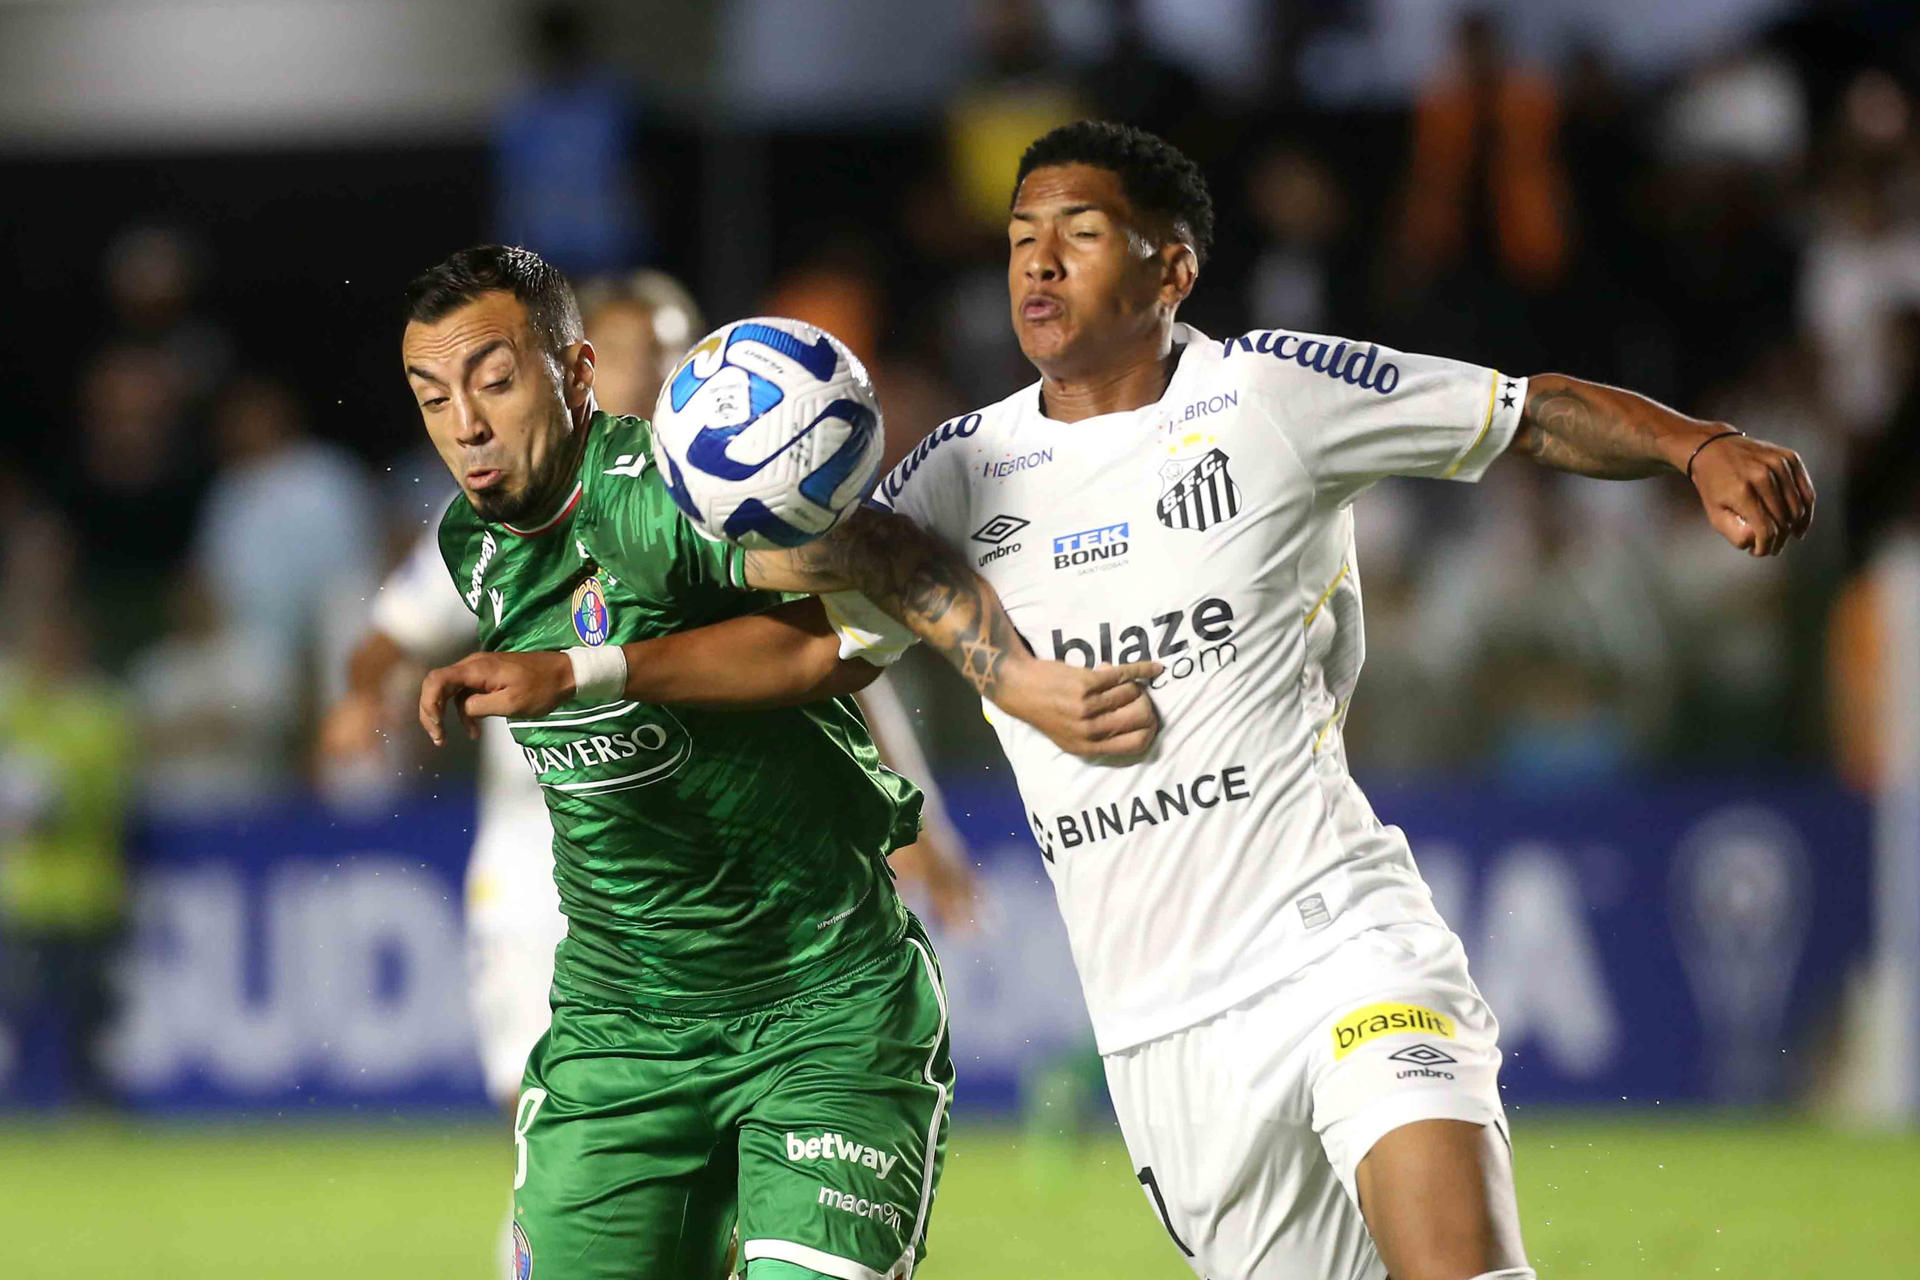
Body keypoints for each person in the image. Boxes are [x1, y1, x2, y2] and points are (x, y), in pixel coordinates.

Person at [835, 121, 1812, 1280]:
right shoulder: (954, 470)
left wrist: (1696, 444)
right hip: (1162, 1027)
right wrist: (616, 654)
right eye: (1020, 240)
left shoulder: (1271, 393)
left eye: (1081, 236)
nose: (1037, 265)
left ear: (1172, 268)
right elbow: (818, 649)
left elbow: (1524, 408)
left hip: (1338, 935)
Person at [397, 245, 1156, 1280]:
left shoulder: (660, 498)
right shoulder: (470, 543)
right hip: (620, 1032)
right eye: (433, 395)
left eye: (494, 380)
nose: (465, 424)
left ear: (574, 374)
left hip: (822, 1014)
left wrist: (1014, 678)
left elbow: (875, 565)